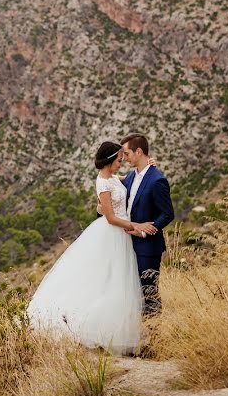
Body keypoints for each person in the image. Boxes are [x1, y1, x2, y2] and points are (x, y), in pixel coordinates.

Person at [26, 141, 156, 354]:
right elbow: (111, 217)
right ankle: (96, 330)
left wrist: (147, 165)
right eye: (118, 160)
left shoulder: (113, 178)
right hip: (113, 233)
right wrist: (137, 225)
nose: (121, 164)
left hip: (120, 236)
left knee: (115, 281)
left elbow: (132, 178)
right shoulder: (103, 184)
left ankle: (119, 329)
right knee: (107, 280)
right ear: (109, 161)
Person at [119, 133, 175, 315]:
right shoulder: (130, 176)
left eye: (127, 154)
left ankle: (155, 338)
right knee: (133, 293)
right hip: (128, 246)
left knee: (149, 294)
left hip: (148, 248)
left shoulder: (157, 180)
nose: (124, 158)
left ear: (139, 151)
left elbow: (167, 214)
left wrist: (144, 231)